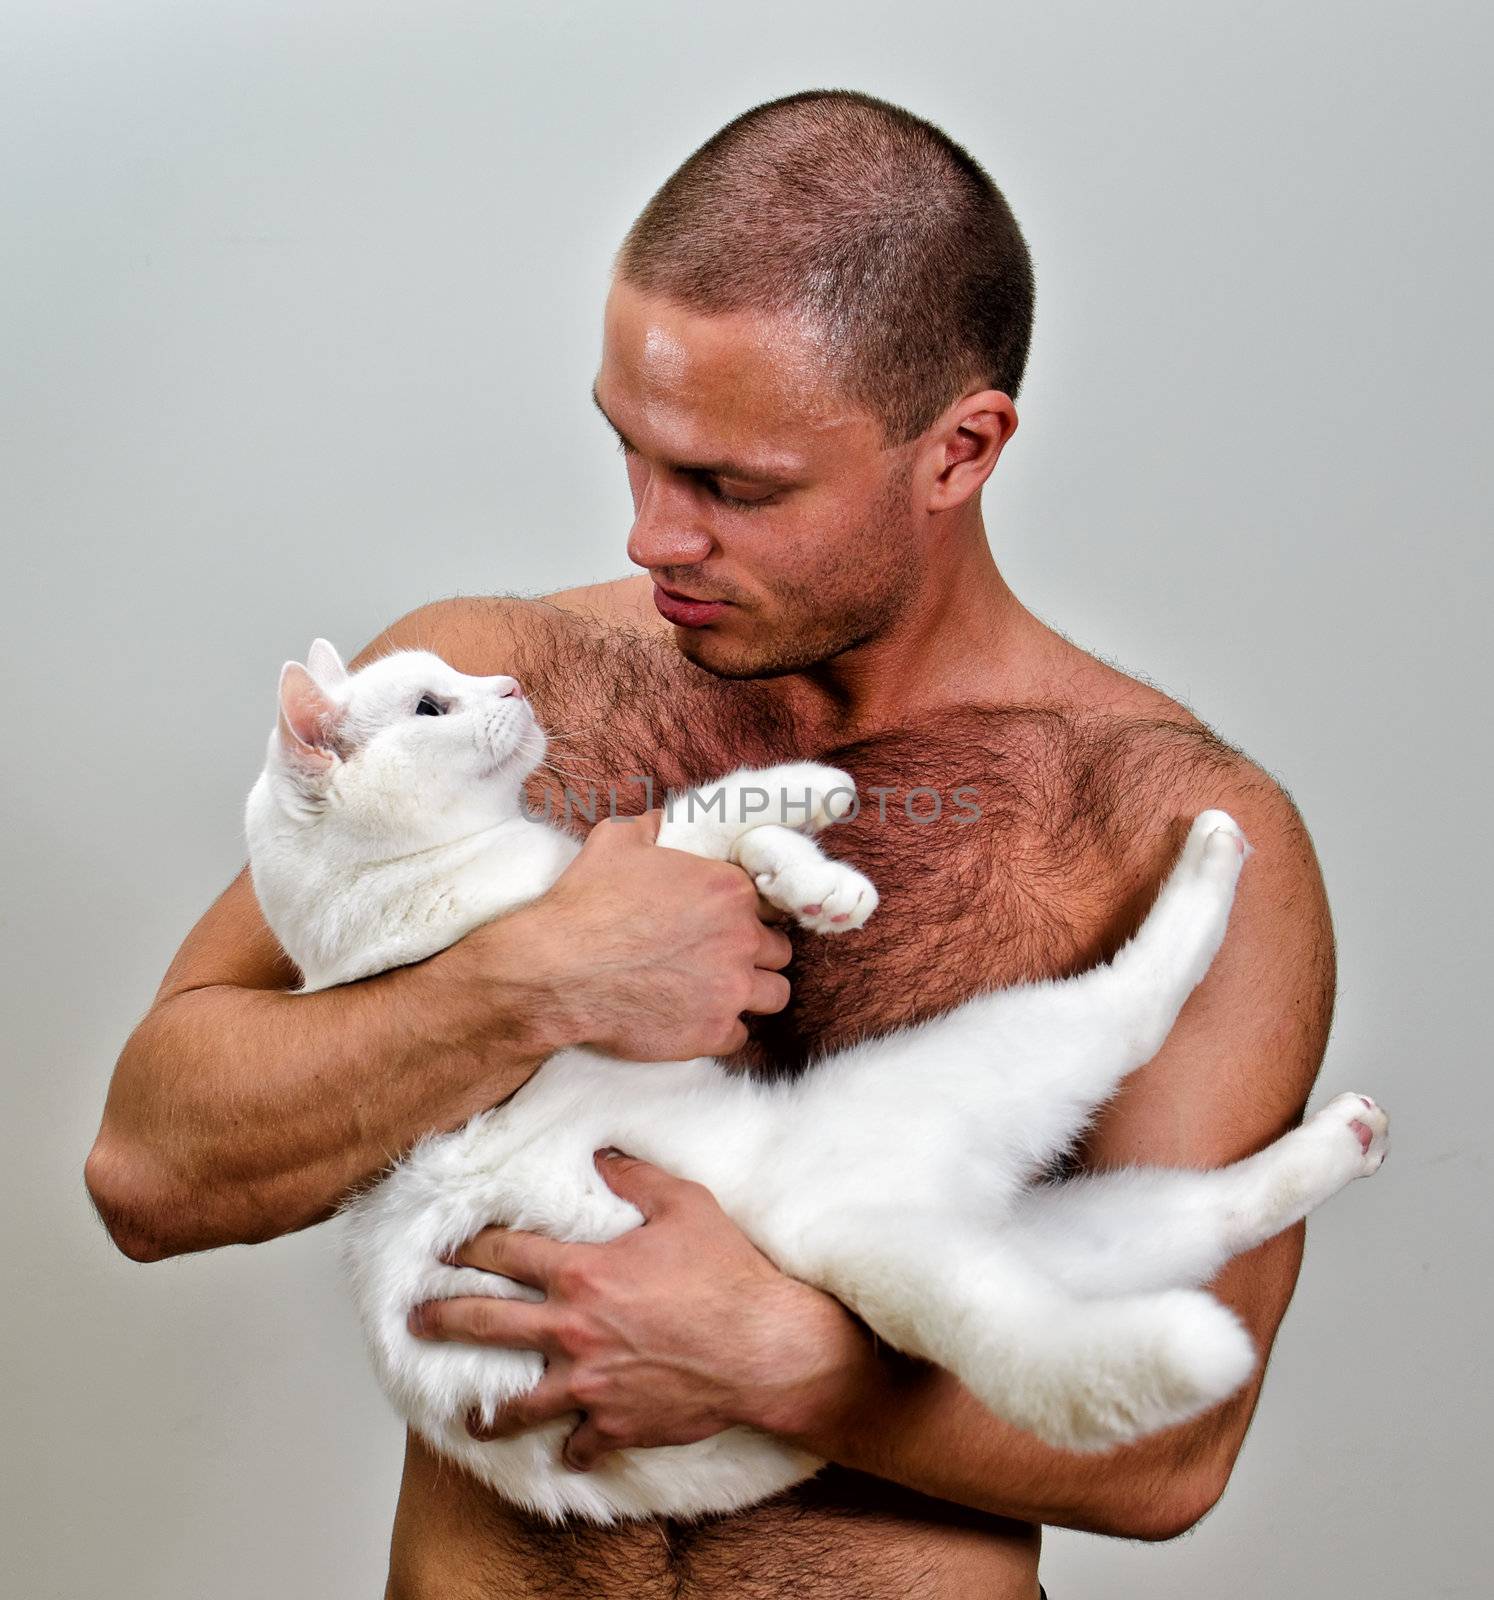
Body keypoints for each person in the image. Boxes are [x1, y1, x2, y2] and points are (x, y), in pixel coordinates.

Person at [85, 90, 1335, 1600]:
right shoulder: (488, 695)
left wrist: (781, 1365)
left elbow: (1172, 1456)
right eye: (633, 451)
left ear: (958, 450)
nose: (649, 538)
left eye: (733, 489)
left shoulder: (1164, 829)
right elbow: (149, 1169)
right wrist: (530, 982)